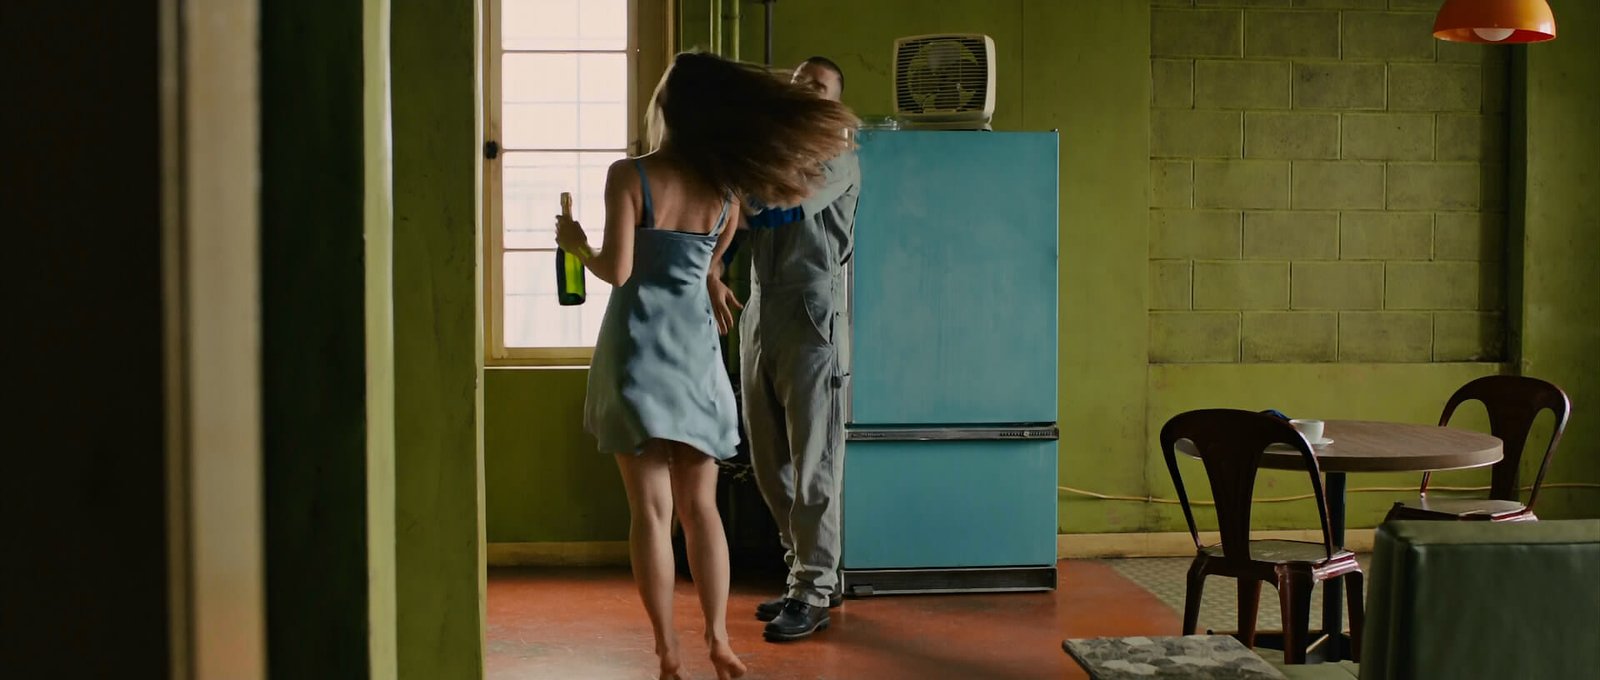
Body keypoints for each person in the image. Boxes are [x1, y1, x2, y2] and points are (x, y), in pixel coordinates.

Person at [555, 51, 856, 680]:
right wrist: (713, 276)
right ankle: (721, 637)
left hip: (647, 351)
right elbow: (715, 252)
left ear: (665, 108)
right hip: (702, 351)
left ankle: (678, 646)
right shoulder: (726, 187)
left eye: (817, 87)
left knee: (657, 512)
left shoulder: (631, 175)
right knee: (710, 504)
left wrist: (575, 244)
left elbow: (619, 270)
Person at [708, 56, 861, 643]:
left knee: (814, 457)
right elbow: (741, 210)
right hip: (762, 305)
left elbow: (772, 208)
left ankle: (814, 590)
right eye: (798, 84)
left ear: (836, 102)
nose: (806, 91)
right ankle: (805, 572)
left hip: (811, 309)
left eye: (818, 86)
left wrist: (725, 195)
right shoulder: (773, 151)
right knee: (768, 459)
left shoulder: (838, 153)